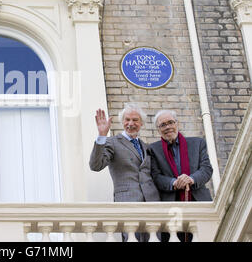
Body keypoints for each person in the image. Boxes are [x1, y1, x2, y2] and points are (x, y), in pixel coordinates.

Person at [89, 103, 160, 242]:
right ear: (122, 122)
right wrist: (101, 136)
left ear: (141, 123)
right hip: (128, 202)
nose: (131, 123)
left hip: (152, 204)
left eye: (135, 120)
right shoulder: (112, 142)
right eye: (127, 119)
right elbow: (95, 165)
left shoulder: (146, 147)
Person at [148, 109, 213, 242]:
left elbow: (206, 169)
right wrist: (174, 182)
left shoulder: (197, 143)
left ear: (177, 123)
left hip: (198, 202)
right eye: (163, 125)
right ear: (158, 129)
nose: (167, 127)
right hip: (171, 207)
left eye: (170, 122)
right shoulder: (153, 149)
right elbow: (155, 177)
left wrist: (191, 179)